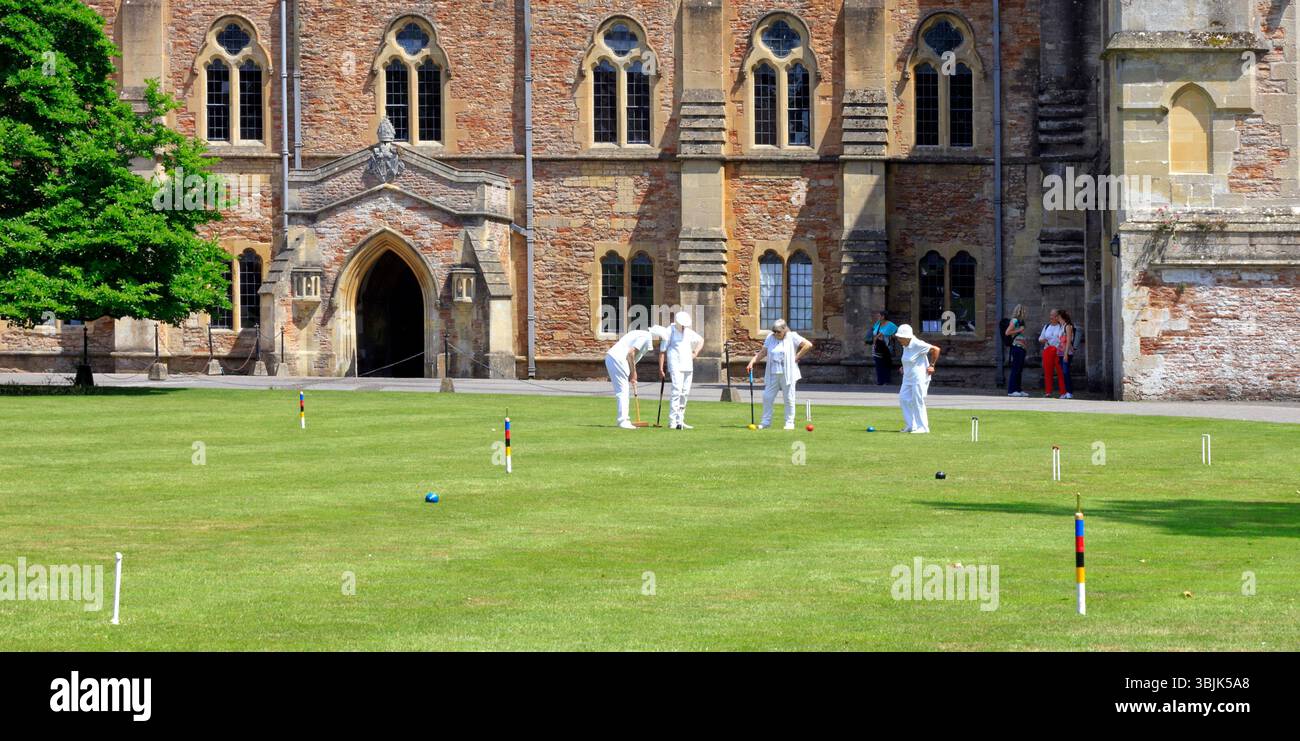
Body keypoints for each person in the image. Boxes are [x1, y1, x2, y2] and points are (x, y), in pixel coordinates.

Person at [745, 318, 813, 430]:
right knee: (767, 397)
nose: (776, 334)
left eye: (778, 332)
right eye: (774, 331)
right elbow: (763, 352)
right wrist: (752, 361)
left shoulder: (792, 336)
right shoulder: (770, 338)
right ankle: (766, 422)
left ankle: (789, 423)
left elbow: (808, 345)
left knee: (789, 398)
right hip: (773, 373)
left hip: (788, 373)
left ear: (784, 330)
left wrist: (796, 357)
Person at [604, 325, 670, 429]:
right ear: (656, 336)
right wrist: (633, 373)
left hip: (612, 358)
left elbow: (631, 354)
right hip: (618, 360)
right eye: (661, 340)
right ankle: (623, 421)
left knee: (622, 391)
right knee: (623, 391)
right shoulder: (646, 337)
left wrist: (631, 372)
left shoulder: (640, 333)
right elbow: (631, 353)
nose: (659, 343)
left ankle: (623, 420)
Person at [658, 311, 704, 429]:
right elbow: (662, 351)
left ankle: (680, 420)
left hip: (688, 365)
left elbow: (701, 340)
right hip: (675, 365)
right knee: (676, 391)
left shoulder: (688, 332)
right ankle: (672, 421)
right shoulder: (669, 331)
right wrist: (661, 368)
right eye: (682, 324)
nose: (684, 327)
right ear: (677, 322)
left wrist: (695, 352)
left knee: (685, 393)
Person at [895, 323, 940, 433]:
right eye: (898, 338)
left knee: (917, 401)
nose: (899, 340)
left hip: (919, 377)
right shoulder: (905, 345)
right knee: (904, 399)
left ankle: (923, 427)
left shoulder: (917, 343)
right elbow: (910, 359)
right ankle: (911, 425)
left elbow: (936, 349)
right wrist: (903, 367)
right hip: (907, 377)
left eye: (901, 338)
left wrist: (932, 365)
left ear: (907, 337)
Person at [1038, 309, 1066, 398]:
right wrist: (1044, 340)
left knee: (1060, 372)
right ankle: (1048, 392)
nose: (1051, 317)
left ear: (1058, 317)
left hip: (1058, 351)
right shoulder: (1046, 326)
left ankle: (1063, 392)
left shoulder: (1061, 327)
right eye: (1050, 315)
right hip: (1047, 349)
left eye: (1053, 315)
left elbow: (1064, 338)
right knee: (1048, 372)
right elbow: (1040, 338)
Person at [1004, 304, 1029, 397]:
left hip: (1021, 348)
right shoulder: (1014, 320)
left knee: (1019, 369)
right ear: (1020, 311)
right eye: (1024, 311)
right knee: (1015, 369)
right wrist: (1019, 330)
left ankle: (1018, 389)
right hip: (1016, 347)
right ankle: (1011, 390)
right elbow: (1007, 332)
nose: (1025, 313)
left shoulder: (1021, 322)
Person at [869, 310, 898, 385]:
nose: (877, 317)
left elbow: (897, 334)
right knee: (878, 364)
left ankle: (886, 380)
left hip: (886, 347)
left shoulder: (890, 325)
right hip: (876, 346)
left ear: (883, 316)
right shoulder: (877, 324)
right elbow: (874, 332)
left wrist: (889, 336)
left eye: (879, 316)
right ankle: (880, 381)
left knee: (886, 363)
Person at [1058, 309, 1076, 399]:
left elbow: (1069, 340)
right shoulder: (1061, 326)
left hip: (1066, 352)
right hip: (1060, 352)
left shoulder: (1068, 326)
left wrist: (1065, 354)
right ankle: (1065, 391)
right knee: (1063, 372)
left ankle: (1069, 391)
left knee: (1066, 372)